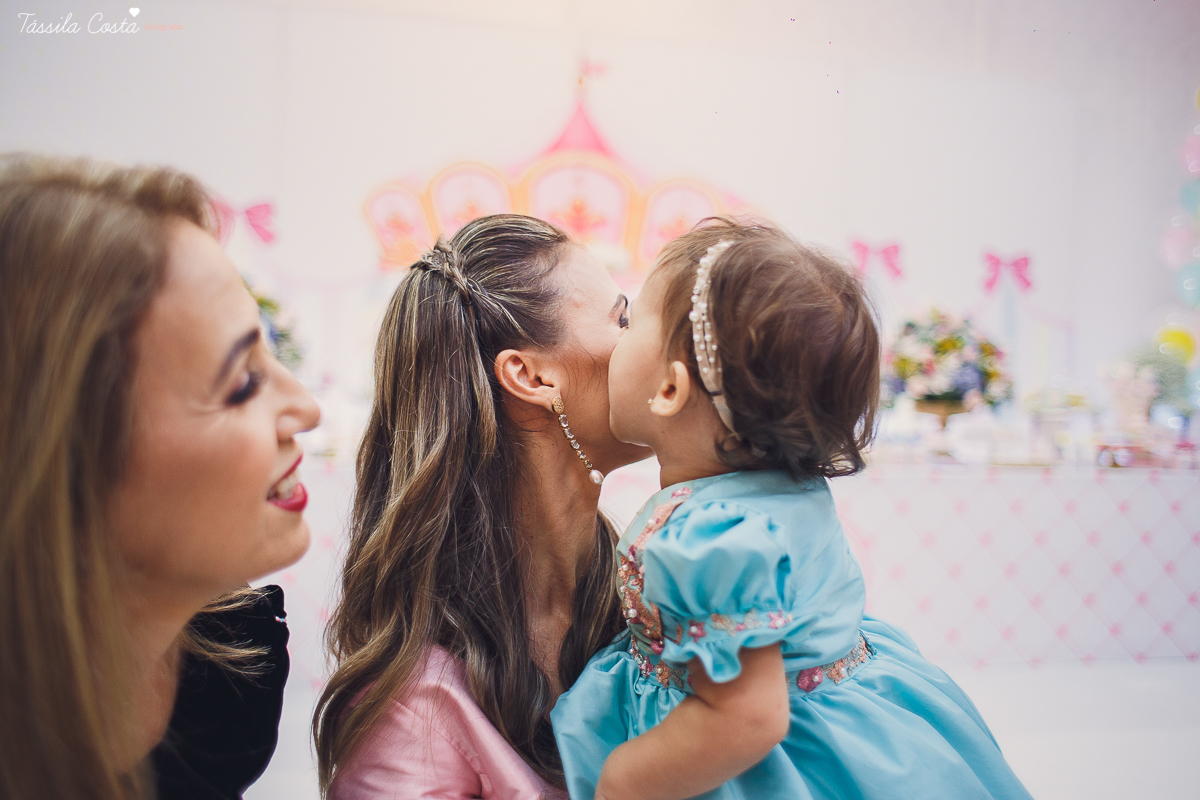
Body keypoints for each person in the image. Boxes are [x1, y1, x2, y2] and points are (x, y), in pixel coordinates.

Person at [551, 219, 1034, 800]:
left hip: (770, 765)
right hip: (865, 718)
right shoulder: (782, 485)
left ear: (670, 390)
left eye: (629, 322)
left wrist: (625, 782)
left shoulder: (708, 539)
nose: (615, 342)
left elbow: (748, 717)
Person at [0, 154, 321, 799]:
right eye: (244, 383)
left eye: (271, 353)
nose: (305, 409)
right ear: (66, 459)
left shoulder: (235, 673)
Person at [314, 215, 650, 798]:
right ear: (532, 376)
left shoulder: (653, 587)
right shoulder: (412, 715)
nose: (654, 340)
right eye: (624, 319)